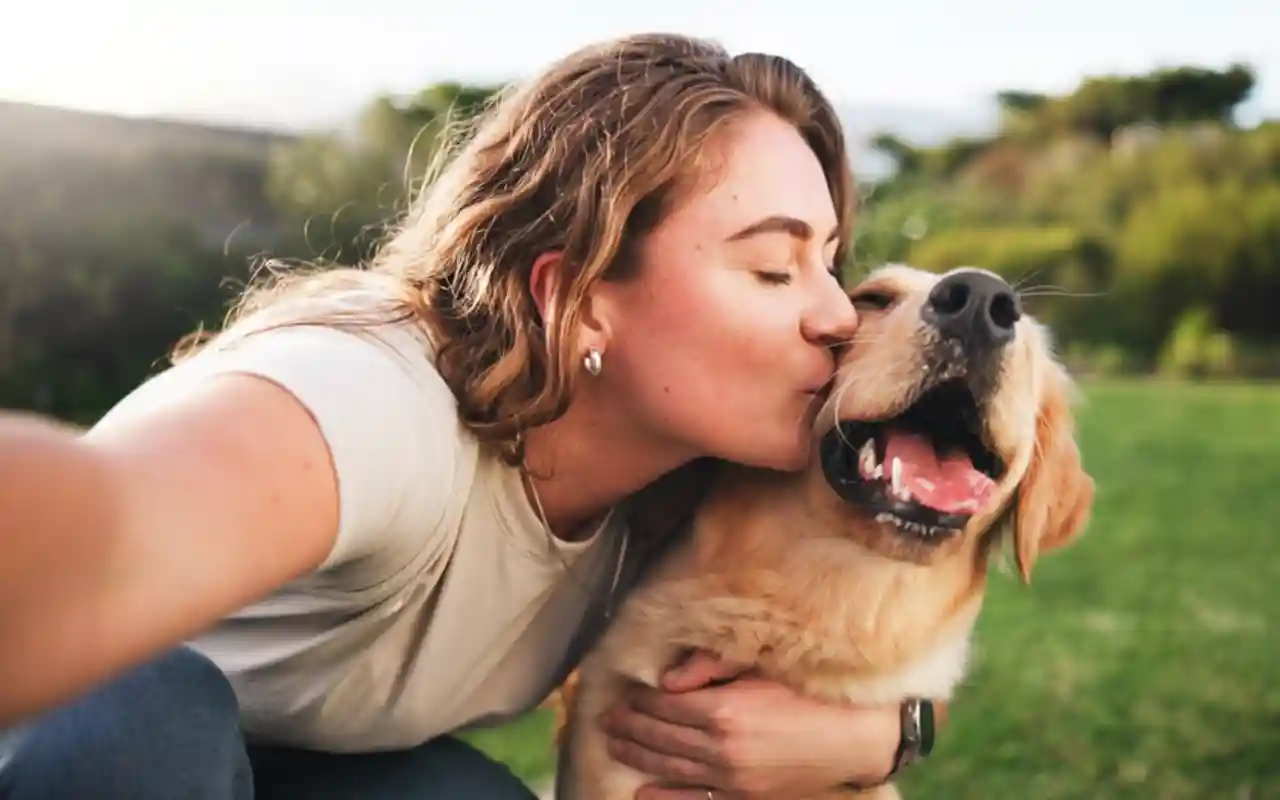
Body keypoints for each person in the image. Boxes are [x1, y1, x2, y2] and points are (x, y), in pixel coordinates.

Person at [0, 32, 946, 799]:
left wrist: (884, 734)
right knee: (143, 713)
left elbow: (854, 633)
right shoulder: (370, 405)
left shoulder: (691, 479)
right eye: (773, 270)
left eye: (828, 260)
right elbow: (104, 527)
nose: (832, 314)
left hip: (296, 764)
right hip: (75, 741)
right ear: (576, 297)